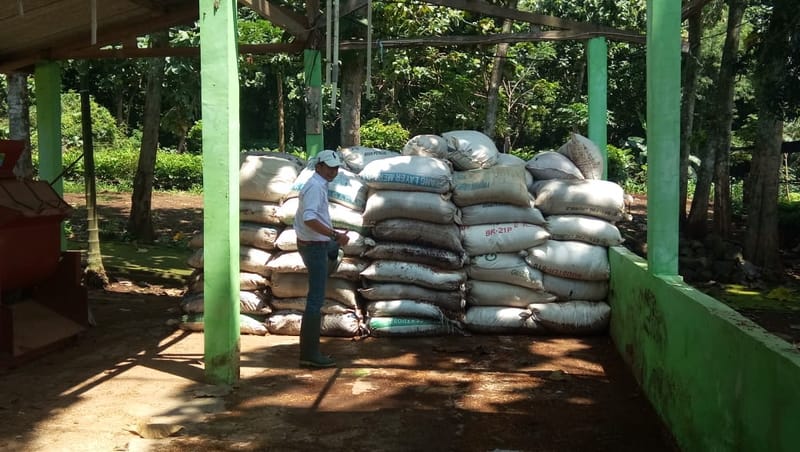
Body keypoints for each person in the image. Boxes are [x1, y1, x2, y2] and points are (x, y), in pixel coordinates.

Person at [294, 149, 350, 368]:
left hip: (317, 244)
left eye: (335, 168)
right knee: (315, 300)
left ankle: (309, 351)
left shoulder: (318, 184)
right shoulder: (315, 187)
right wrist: (334, 235)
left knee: (335, 252)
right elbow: (309, 218)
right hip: (314, 247)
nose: (333, 171)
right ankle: (309, 354)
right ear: (319, 166)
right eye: (329, 167)